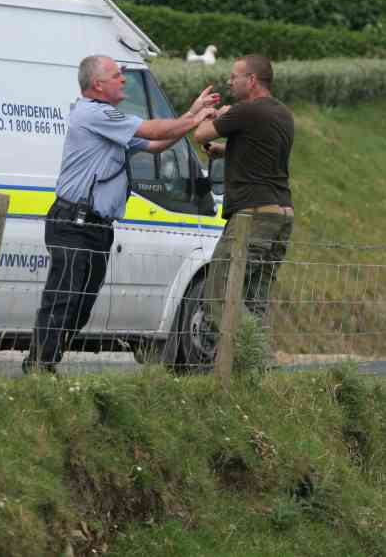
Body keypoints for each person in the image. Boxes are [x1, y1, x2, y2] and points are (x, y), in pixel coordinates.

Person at [23, 54, 219, 373]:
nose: (123, 80)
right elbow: (155, 130)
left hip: (96, 227)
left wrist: (193, 113)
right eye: (117, 75)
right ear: (98, 84)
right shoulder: (94, 114)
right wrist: (195, 119)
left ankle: (44, 362)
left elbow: (156, 145)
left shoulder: (110, 120)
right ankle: (39, 366)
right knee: (63, 299)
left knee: (80, 306)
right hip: (73, 222)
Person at [194, 54, 294, 334]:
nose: (229, 81)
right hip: (282, 214)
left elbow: (200, 135)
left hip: (253, 215)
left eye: (234, 76)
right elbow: (262, 152)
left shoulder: (245, 110)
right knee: (255, 299)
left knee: (220, 296)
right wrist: (226, 151)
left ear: (251, 80)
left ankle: (252, 358)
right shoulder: (282, 113)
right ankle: (256, 370)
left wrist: (216, 115)